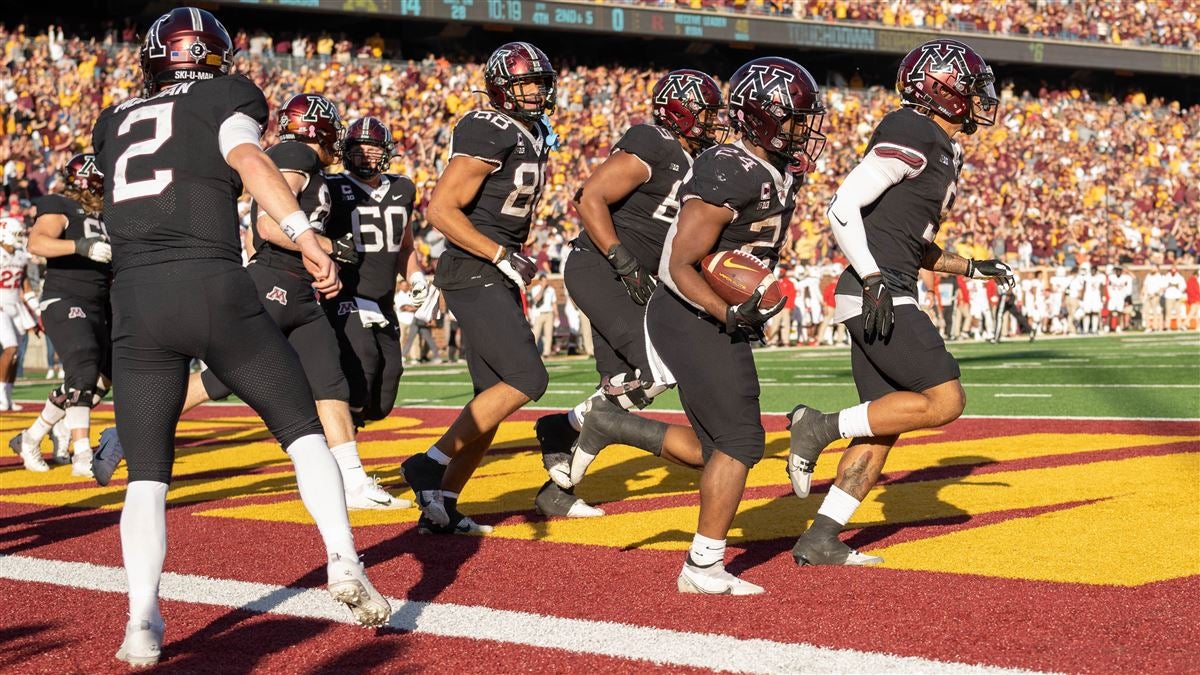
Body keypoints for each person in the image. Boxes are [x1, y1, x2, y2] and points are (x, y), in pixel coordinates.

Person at [91, 8, 389, 665]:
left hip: (136, 298)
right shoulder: (226, 95)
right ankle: (343, 559)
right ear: (215, 59)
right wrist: (307, 235)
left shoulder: (112, 119)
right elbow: (248, 156)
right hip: (212, 281)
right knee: (302, 428)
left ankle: (141, 620)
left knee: (147, 477)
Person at [93, 95, 404, 510]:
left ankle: (353, 482)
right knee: (218, 381)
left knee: (330, 381)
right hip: (272, 283)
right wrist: (328, 246)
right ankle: (122, 432)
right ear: (318, 128)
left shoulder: (306, 163)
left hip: (300, 290)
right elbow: (269, 224)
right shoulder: (297, 154)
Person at [786, 39, 1013, 566]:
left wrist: (973, 267)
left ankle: (820, 538)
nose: (983, 98)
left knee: (883, 428)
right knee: (945, 401)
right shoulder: (914, 131)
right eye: (973, 87)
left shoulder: (941, 146)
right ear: (942, 90)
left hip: (883, 285)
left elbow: (916, 242)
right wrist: (873, 279)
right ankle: (816, 425)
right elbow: (842, 207)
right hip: (877, 290)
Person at [645, 56, 825, 595]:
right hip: (689, 311)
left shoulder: (773, 169)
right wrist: (728, 310)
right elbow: (679, 263)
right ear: (762, 117)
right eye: (793, 118)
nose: (802, 130)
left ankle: (614, 427)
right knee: (742, 439)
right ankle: (702, 566)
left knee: (715, 444)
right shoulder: (729, 168)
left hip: (714, 315)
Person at [532, 69, 726, 519]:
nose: (711, 121)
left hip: (642, 276)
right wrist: (621, 259)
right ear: (676, 109)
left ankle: (558, 474)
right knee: (660, 368)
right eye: (705, 111)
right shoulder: (654, 142)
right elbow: (590, 197)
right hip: (602, 266)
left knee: (623, 386)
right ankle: (570, 427)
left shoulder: (704, 159)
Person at [399, 42, 554, 535]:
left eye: (537, 81)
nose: (534, 91)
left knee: (490, 397)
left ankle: (442, 503)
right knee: (528, 379)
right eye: (523, 82)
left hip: (491, 267)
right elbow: (441, 210)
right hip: (475, 265)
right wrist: (501, 254)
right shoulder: (490, 126)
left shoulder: (533, 132)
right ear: (501, 89)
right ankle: (429, 462)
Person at [9, 154, 111, 474]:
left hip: (102, 301)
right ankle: (82, 454)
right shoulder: (60, 205)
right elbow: (37, 243)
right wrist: (80, 246)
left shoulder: (109, 213)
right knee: (82, 362)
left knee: (104, 376)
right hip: (66, 297)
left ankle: (32, 436)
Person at [322, 116, 423, 425]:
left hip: (383, 300)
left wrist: (417, 278)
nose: (365, 156)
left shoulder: (403, 188)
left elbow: (404, 246)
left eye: (373, 149)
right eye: (358, 149)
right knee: (364, 358)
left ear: (386, 152)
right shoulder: (331, 186)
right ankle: (341, 458)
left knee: (385, 388)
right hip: (345, 293)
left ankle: (343, 427)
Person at [0, 217, 38, 412]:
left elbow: (24, 284)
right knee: (11, 348)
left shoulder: (21, 255)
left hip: (15, 304)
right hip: (0, 305)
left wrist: (36, 308)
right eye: (17, 234)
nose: (20, 238)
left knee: (16, 355)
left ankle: (7, 395)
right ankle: (0, 396)